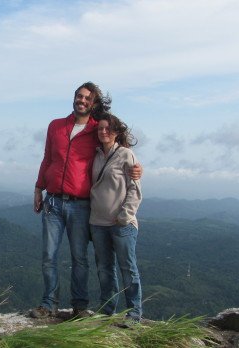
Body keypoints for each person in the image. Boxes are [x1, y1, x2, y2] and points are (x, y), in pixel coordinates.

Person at [30, 82, 142, 319]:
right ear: (74, 98)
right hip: (53, 202)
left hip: (81, 204)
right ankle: (48, 303)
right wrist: (39, 187)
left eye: (86, 98)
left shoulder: (96, 130)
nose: (81, 100)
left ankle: (79, 307)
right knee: (49, 256)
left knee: (79, 258)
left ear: (93, 104)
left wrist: (136, 168)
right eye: (78, 96)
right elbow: (47, 159)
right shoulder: (56, 126)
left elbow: (116, 150)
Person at [89, 112, 143, 322]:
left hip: (121, 225)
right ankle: (107, 311)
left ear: (117, 132)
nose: (103, 132)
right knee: (104, 270)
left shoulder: (126, 154)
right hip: (98, 223)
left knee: (128, 269)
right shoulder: (95, 155)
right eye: (100, 128)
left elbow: (135, 189)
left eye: (108, 129)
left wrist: (124, 216)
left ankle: (134, 314)